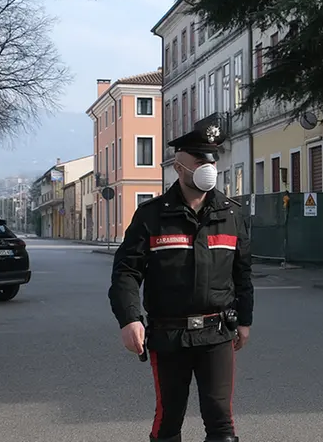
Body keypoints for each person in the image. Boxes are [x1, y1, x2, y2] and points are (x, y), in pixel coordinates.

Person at [108, 122, 254, 442]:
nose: (208, 168)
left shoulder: (231, 214)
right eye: (200, 161)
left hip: (216, 332)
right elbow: (126, 273)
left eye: (212, 161)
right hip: (169, 334)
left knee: (221, 421)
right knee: (169, 419)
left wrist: (244, 320)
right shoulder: (152, 216)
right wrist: (130, 319)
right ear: (179, 166)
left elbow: (242, 273)